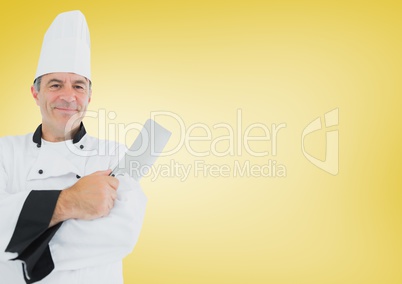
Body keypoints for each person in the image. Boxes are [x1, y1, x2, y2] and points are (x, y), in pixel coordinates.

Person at [0, 10, 147, 284]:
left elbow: (122, 234)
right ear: (36, 93)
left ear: (89, 96)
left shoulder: (114, 155)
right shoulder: (4, 152)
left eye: (79, 86)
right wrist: (72, 199)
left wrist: (26, 255)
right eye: (55, 84)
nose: (68, 96)